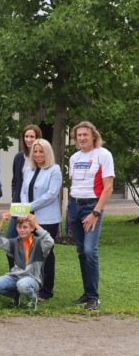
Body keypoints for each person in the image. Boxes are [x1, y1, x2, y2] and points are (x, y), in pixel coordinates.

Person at [68, 121, 114, 311]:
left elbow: (108, 187)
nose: (81, 138)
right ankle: (87, 293)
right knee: (80, 251)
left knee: (89, 251)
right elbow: (73, 185)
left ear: (93, 136)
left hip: (91, 207)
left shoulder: (103, 155)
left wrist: (95, 212)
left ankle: (94, 297)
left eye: (85, 135)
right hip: (74, 206)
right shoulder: (74, 157)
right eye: (78, 135)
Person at [20, 138, 62, 301]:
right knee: (32, 253)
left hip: (47, 219)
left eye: (41, 151)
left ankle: (47, 290)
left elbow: (51, 195)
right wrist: (25, 207)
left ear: (47, 152)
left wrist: (30, 206)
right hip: (29, 216)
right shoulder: (29, 169)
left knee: (46, 253)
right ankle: (34, 284)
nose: (37, 154)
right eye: (35, 151)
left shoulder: (55, 170)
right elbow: (23, 190)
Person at [0, 213, 54, 311]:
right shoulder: (13, 242)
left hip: (32, 278)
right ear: (16, 228)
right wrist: (2, 222)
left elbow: (50, 241)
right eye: (19, 227)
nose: (22, 230)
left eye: (25, 227)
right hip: (15, 276)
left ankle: (32, 299)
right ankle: (15, 295)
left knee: (22, 284)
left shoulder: (39, 243)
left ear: (32, 229)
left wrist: (35, 224)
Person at [7, 125, 42, 256]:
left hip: (36, 207)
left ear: (38, 138)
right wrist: (14, 198)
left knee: (33, 245)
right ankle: (14, 271)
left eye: (32, 136)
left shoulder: (41, 158)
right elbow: (15, 181)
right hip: (18, 207)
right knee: (11, 241)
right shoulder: (18, 157)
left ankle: (31, 272)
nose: (28, 139)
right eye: (26, 136)